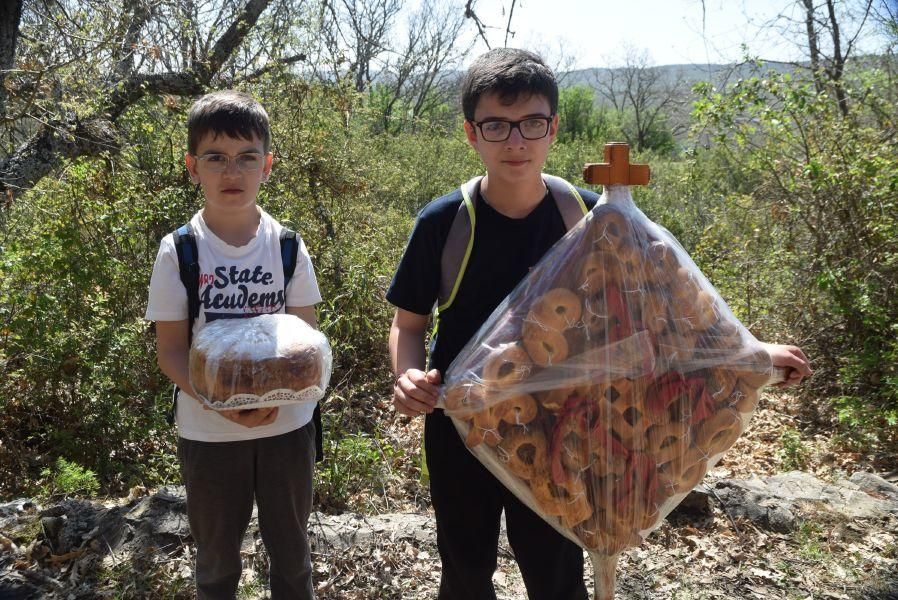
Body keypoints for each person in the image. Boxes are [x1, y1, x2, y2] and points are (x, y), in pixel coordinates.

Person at [386, 48, 812, 600]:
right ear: (472, 133)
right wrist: (407, 376)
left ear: (553, 128)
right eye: (496, 125)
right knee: (465, 568)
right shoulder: (445, 224)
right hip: (464, 424)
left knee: (556, 568)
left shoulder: (592, 218)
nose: (516, 141)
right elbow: (410, 323)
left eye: (531, 123)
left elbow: (670, 312)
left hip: (567, 426)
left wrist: (752, 354)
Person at [145, 90, 321, 600]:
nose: (232, 172)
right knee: (216, 558)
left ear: (267, 166)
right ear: (192, 167)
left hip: (287, 427)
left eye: (247, 158)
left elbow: (305, 347)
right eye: (216, 158)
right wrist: (222, 403)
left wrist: (270, 400)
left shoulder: (287, 245)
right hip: (208, 433)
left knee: (292, 557)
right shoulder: (179, 250)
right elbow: (171, 351)